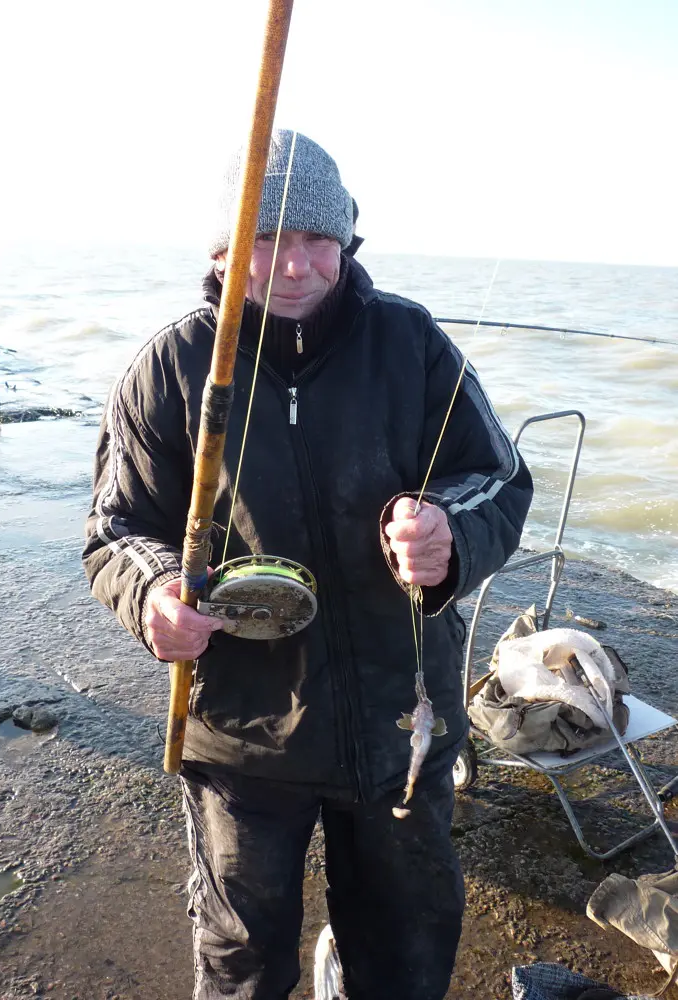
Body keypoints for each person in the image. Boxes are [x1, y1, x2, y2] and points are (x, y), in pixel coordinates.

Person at [83, 129, 533, 1000]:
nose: (293, 266)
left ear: (348, 242)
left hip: (402, 723)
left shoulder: (410, 341)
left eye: (316, 239)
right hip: (240, 735)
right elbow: (116, 529)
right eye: (265, 239)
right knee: (243, 961)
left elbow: (500, 476)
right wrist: (154, 597)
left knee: (406, 952)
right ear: (223, 250)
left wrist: (445, 532)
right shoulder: (170, 366)